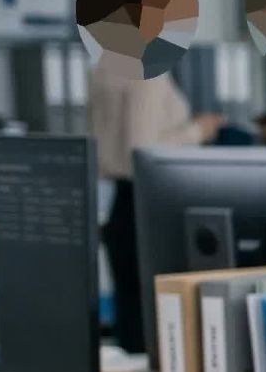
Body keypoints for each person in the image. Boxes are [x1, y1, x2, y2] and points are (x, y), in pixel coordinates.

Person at [88, 67, 223, 354]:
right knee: (156, 323)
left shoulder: (105, 67)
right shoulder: (147, 70)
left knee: (133, 318)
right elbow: (142, 151)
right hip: (150, 202)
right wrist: (199, 130)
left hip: (121, 203)